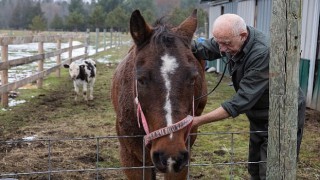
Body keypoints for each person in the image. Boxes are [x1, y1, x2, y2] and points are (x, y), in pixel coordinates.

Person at [191, 13, 306, 180]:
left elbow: (240, 101)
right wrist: (172, 41)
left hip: (282, 116)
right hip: (258, 113)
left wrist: (197, 121)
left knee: (272, 171)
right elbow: (202, 48)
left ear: (243, 36)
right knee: (254, 167)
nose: (221, 49)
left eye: (226, 44)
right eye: (218, 42)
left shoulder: (262, 53)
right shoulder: (230, 38)